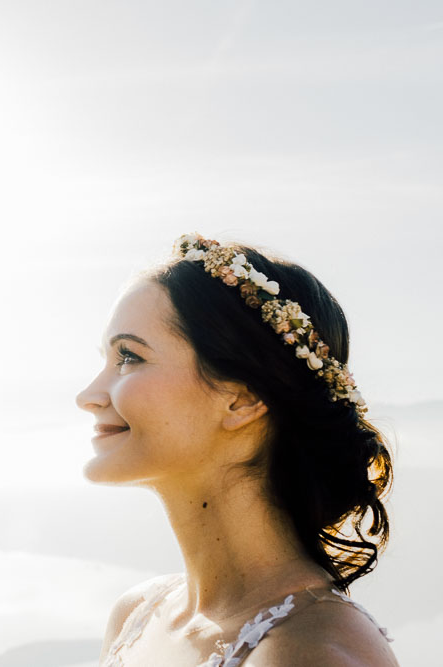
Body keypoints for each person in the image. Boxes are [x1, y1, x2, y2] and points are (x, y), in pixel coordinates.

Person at [76, 234, 398, 666]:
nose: (89, 395)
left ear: (243, 398)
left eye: (130, 356)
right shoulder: (136, 614)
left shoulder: (313, 653)